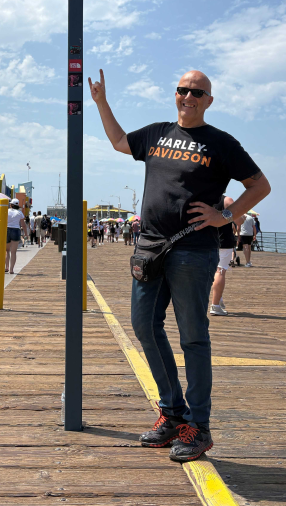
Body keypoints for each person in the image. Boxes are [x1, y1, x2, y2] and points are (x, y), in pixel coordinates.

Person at [89, 68, 270, 462]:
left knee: (193, 337)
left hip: (193, 250)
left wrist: (227, 215)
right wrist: (101, 102)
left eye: (197, 92)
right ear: (175, 94)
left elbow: (260, 185)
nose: (188, 96)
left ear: (209, 101)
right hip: (150, 247)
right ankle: (172, 413)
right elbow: (119, 142)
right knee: (144, 325)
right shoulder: (157, 134)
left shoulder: (221, 142)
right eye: (182, 90)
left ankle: (198, 427)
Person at [210, 196, 243, 316]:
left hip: (205, 241)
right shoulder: (226, 200)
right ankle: (215, 306)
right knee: (220, 271)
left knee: (211, 272)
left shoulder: (202, 197)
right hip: (223, 241)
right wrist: (231, 214)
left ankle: (218, 297)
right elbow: (239, 221)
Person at [6, 198, 29, 274]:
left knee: (7, 250)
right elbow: (23, 225)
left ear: (11, 205)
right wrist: (26, 234)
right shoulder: (20, 213)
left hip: (7, 229)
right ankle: (11, 269)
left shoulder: (7, 211)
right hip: (16, 230)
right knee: (13, 252)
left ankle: (6, 267)